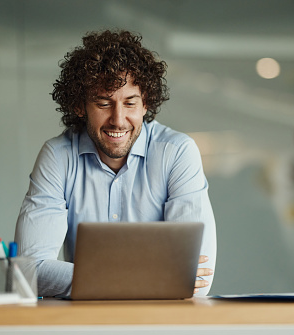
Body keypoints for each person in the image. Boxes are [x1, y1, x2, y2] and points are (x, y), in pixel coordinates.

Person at [14, 29, 216, 297]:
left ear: (146, 104)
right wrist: (150, 277)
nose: (118, 120)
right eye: (103, 103)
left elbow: (197, 280)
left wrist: (99, 279)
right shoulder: (58, 156)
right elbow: (28, 272)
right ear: (79, 106)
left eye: (130, 103)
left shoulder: (177, 152)